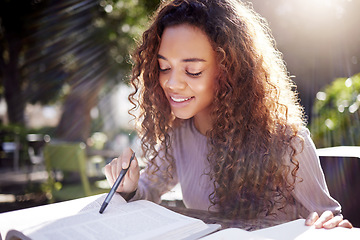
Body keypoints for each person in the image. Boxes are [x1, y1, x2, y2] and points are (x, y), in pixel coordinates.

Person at [105, 0, 353, 228]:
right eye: (164, 67)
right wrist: (129, 185)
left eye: (192, 71)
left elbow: (328, 216)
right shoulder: (179, 135)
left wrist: (328, 224)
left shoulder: (288, 141)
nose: (172, 83)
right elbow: (148, 189)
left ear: (229, 71)